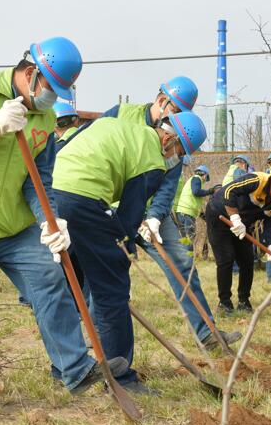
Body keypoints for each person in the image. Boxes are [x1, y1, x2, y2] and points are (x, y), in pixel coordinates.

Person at [0, 36, 127, 397]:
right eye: (51, 87)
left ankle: (76, 369)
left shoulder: (45, 117)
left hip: (11, 226)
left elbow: (39, 180)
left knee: (51, 281)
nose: (53, 97)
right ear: (31, 73)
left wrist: (50, 221)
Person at [52, 110, 209, 393]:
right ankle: (122, 380)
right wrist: (124, 250)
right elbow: (129, 215)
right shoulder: (152, 159)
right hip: (83, 198)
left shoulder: (126, 128)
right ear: (168, 138)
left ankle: (67, 366)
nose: (177, 158)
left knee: (75, 280)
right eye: (179, 150)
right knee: (112, 287)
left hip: (54, 190)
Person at [99, 77, 233, 354]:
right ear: (162, 101)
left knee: (182, 264)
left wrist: (155, 217)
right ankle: (95, 339)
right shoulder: (122, 115)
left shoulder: (178, 135)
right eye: (177, 112)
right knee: (106, 272)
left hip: (150, 215)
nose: (179, 120)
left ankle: (206, 333)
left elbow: (169, 182)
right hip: (111, 207)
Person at [206, 163, 271, 313]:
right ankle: (224, 303)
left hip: (242, 224)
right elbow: (228, 191)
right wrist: (234, 217)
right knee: (226, 258)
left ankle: (244, 301)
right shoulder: (257, 180)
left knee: (247, 261)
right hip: (219, 215)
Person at [172, 164, 212, 248]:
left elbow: (194, 201)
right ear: (205, 175)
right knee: (190, 237)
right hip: (187, 212)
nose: (205, 180)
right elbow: (196, 192)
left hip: (183, 211)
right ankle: (189, 258)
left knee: (185, 237)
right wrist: (209, 191)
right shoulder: (197, 179)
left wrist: (204, 217)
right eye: (206, 178)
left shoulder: (193, 181)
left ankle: (184, 257)